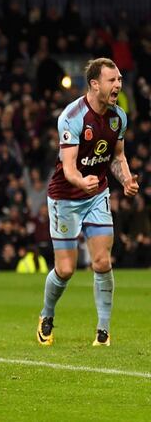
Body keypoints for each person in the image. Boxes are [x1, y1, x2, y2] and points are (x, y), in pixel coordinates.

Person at [37, 58, 139, 347]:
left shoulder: (118, 116)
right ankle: (46, 315)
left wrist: (127, 180)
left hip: (97, 195)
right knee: (66, 269)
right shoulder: (72, 117)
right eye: (112, 80)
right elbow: (68, 169)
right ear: (95, 84)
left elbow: (118, 157)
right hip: (65, 197)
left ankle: (103, 331)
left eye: (119, 79)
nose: (118, 84)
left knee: (102, 261)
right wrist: (82, 181)